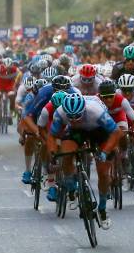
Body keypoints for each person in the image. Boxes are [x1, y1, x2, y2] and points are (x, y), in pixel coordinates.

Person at [48, 93, 124, 230]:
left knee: (103, 172)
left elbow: (116, 133)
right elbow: (52, 135)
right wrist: (53, 152)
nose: (74, 120)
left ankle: (102, 209)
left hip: (99, 130)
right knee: (66, 155)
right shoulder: (60, 113)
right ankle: (72, 188)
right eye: (70, 117)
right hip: (75, 132)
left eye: (77, 116)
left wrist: (105, 152)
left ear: (83, 111)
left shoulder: (96, 112)